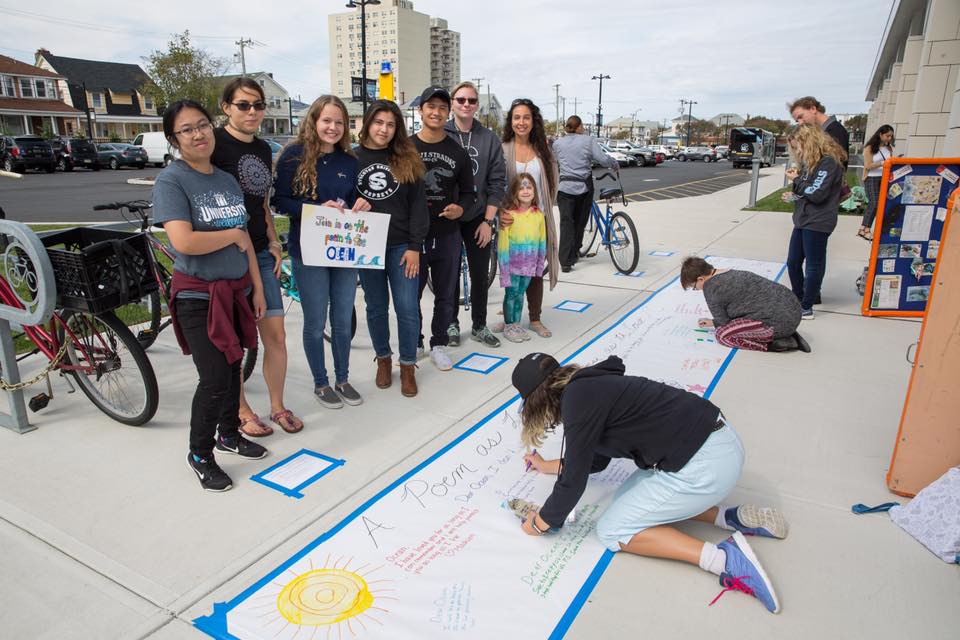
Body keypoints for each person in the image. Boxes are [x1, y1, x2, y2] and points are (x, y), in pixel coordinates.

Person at [512, 352, 787, 614]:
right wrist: (545, 465)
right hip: (717, 444)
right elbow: (592, 462)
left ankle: (724, 560)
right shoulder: (588, 386)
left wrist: (540, 522)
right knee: (624, 499)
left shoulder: (577, 400)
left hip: (707, 465)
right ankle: (729, 517)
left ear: (536, 401)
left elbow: (573, 482)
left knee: (612, 529)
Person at [152, 99, 268, 492]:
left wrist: (257, 287)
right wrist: (232, 236)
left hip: (237, 291)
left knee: (233, 368)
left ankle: (229, 433)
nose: (199, 134)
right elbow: (183, 241)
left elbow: (247, 242)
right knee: (215, 377)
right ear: (174, 139)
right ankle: (200, 454)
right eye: (187, 129)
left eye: (202, 125)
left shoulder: (225, 179)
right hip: (198, 296)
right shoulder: (172, 180)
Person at [211, 77, 302, 437]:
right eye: (244, 105)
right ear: (227, 107)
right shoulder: (213, 144)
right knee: (233, 340)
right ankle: (240, 409)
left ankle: (277, 406)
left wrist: (275, 242)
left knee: (275, 335)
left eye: (258, 105)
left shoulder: (264, 149)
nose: (252, 112)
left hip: (262, 253)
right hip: (226, 257)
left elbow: (261, 201)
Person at [272, 96, 371, 409]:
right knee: (315, 322)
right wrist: (313, 208)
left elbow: (356, 199)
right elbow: (280, 202)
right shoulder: (293, 156)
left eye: (339, 122)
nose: (333, 127)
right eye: (327, 120)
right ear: (314, 121)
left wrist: (362, 204)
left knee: (342, 319)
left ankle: (342, 377)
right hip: (308, 250)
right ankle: (321, 382)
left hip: (342, 249)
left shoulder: (349, 161)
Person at [356, 100, 429, 397]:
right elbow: (340, 203)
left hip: (401, 246)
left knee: (408, 308)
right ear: (368, 123)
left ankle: (408, 365)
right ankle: (383, 359)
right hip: (367, 246)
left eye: (390, 124)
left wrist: (415, 246)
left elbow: (418, 207)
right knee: (375, 308)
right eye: (378, 122)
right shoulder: (351, 158)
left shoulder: (407, 158)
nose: (383, 129)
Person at [413, 86, 474, 371]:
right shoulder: (406, 148)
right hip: (413, 236)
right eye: (430, 106)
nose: (436, 112)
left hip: (447, 234)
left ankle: (438, 344)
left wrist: (461, 208)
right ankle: (414, 341)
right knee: (409, 294)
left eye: (441, 107)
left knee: (445, 293)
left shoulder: (457, 151)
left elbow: (469, 192)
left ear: (447, 112)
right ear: (420, 110)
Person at [444, 81, 506, 348]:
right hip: (445, 219)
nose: (466, 105)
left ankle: (479, 325)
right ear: (452, 103)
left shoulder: (488, 138)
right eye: (460, 100)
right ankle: (450, 323)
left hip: (478, 217)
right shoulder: (439, 133)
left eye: (471, 100)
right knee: (448, 275)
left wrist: (487, 220)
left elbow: (497, 182)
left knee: (480, 274)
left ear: (477, 105)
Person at [502, 98, 559, 338]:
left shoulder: (543, 149)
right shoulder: (503, 148)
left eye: (526, 117)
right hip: (511, 222)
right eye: (516, 117)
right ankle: (510, 320)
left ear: (533, 120)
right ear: (510, 121)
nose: (521, 122)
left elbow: (553, 180)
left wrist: (543, 210)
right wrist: (501, 213)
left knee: (535, 269)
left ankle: (534, 318)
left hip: (537, 221)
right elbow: (494, 183)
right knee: (513, 271)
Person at [781, 124, 847, 320]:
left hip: (818, 221)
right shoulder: (810, 164)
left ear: (808, 142)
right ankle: (799, 298)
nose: (796, 151)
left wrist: (796, 182)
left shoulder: (828, 163)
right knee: (793, 262)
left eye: (797, 146)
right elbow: (807, 192)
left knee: (813, 265)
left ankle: (807, 305)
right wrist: (794, 195)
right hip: (803, 219)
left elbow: (816, 194)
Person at [680, 256, 809, 353]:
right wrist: (712, 322)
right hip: (792, 311)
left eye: (695, 287)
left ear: (700, 279)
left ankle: (776, 344)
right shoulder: (730, 272)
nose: (698, 290)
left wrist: (714, 323)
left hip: (777, 324)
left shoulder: (711, 288)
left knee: (723, 334)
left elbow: (723, 322)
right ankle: (787, 332)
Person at [552, 115, 618, 271]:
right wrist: (614, 164)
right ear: (580, 127)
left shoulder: (557, 144)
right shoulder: (588, 140)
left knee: (566, 223)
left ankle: (565, 262)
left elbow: (553, 163)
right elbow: (602, 159)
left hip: (565, 188)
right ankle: (574, 252)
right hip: (583, 187)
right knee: (580, 223)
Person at [498, 174, 546, 343]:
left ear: (535, 190)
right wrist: (503, 270)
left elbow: (542, 241)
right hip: (512, 266)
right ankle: (509, 325)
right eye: (521, 188)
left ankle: (516, 323)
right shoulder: (509, 216)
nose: (526, 191)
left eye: (529, 187)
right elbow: (502, 245)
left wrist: (539, 265)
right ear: (514, 192)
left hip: (529, 266)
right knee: (511, 294)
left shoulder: (538, 214)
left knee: (520, 294)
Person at [788, 96, 850, 167]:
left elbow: (835, 165)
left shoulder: (835, 130)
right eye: (797, 120)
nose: (800, 123)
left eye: (801, 116)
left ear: (813, 109)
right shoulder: (826, 131)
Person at [859, 124, 895, 241]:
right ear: (880, 134)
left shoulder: (889, 149)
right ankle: (865, 229)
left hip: (884, 178)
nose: (889, 138)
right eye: (887, 136)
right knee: (874, 203)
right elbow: (868, 165)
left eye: (891, 136)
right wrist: (883, 163)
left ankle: (867, 228)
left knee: (881, 205)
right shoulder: (869, 148)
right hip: (872, 178)